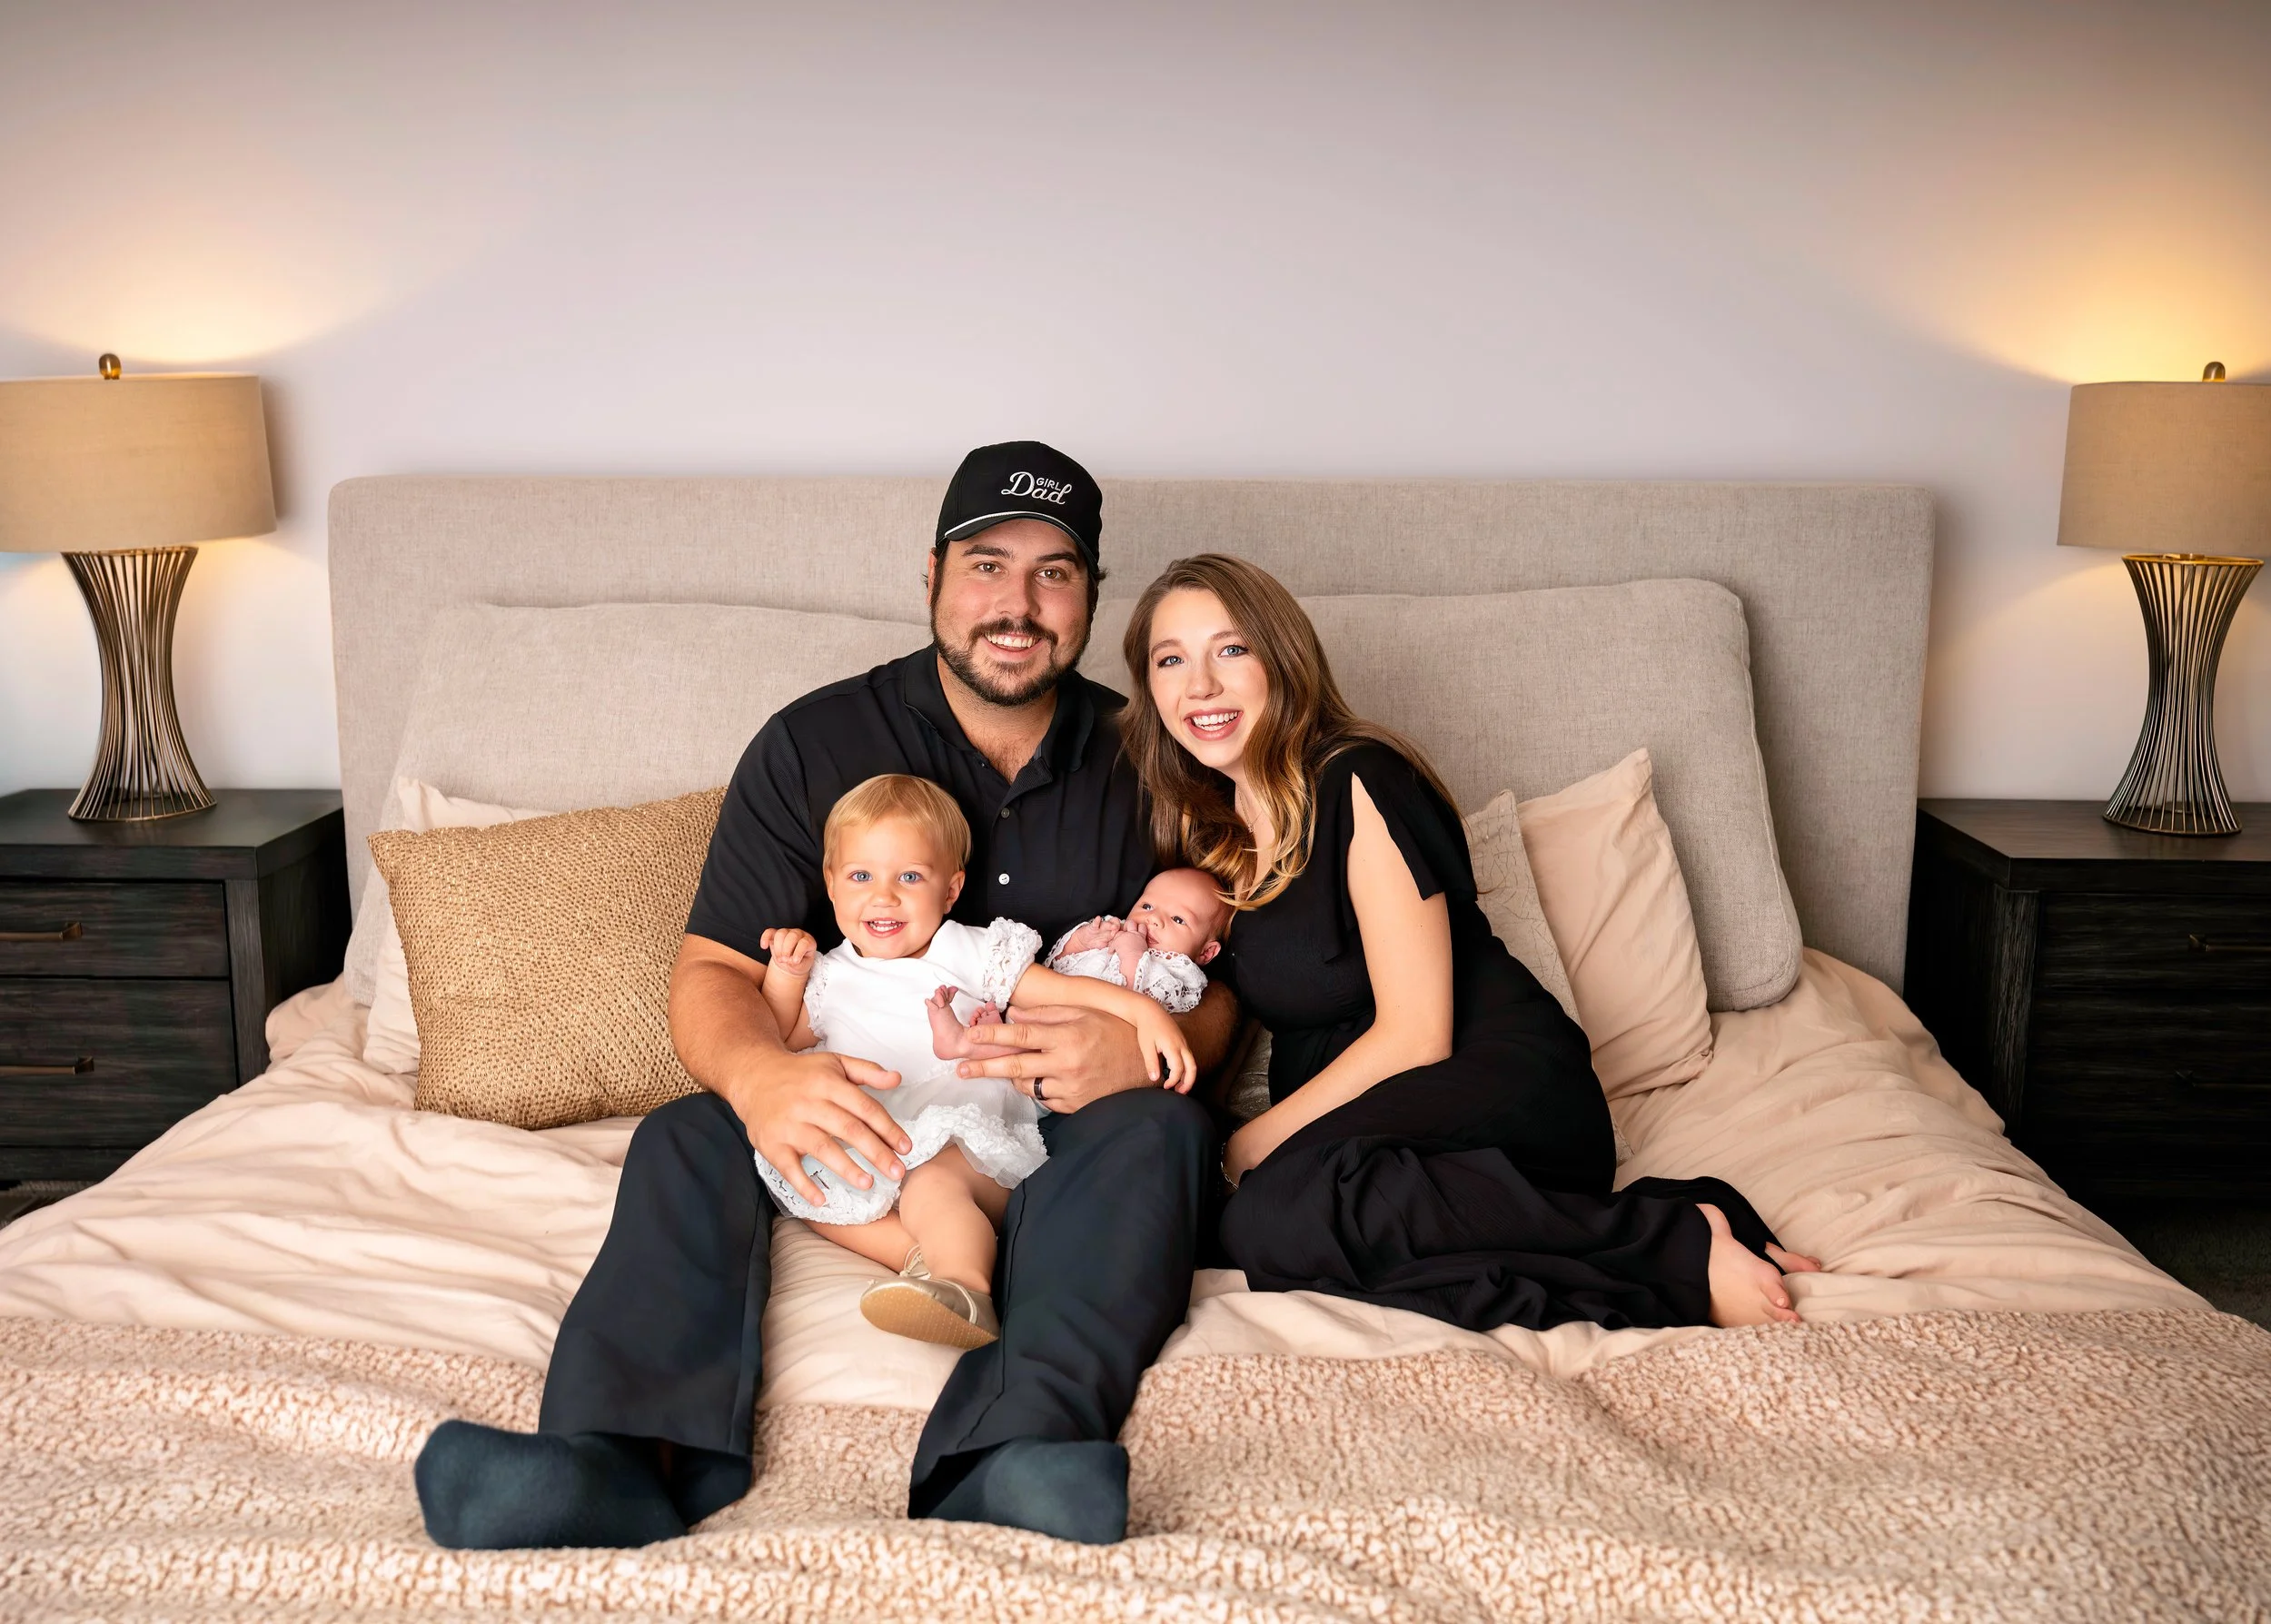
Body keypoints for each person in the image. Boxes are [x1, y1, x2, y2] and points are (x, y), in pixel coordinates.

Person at [414, 441, 1235, 1552]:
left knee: (1166, 1130)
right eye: (987, 564)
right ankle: (608, 1460)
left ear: (1091, 593)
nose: (1017, 603)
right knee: (687, 1133)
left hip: (1063, 1125)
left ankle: (1011, 1458)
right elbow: (712, 970)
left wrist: (1149, 1050)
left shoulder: (1153, 755)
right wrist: (761, 1074)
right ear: (932, 577)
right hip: (859, 1095)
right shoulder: (815, 743)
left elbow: (1227, 989)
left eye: (1054, 573)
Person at [1121, 553, 1820, 1335]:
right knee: (1251, 1227)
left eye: (1231, 649)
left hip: (1486, 1081)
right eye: (1171, 659)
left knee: (1270, 1218)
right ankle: (1663, 1218)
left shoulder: (1357, 777)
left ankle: (1670, 1247)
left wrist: (1248, 1143)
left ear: (1282, 659)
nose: (1201, 686)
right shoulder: (1213, 837)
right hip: (1375, 1131)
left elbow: (1418, 1033)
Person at [753, 772, 1196, 1351]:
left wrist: (1143, 1012)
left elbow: (1056, 993)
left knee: (932, 1189)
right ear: (831, 886)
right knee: (806, 1191)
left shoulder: (969, 950)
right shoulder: (829, 975)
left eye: (909, 877)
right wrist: (785, 974)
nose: (883, 896)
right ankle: (919, 1258)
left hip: (966, 1135)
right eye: (861, 876)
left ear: (951, 890)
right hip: (878, 1135)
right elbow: (781, 1040)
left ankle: (964, 1289)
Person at [933, 867, 1231, 1055]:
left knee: (1031, 1047)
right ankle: (977, 1037)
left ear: (1206, 953)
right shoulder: (1117, 931)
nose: (1153, 918)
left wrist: (1131, 954)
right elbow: (1057, 965)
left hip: (1084, 1044)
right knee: (1014, 1017)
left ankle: (969, 1042)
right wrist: (1081, 942)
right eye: (1147, 905)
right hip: (1040, 1007)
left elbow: (1136, 1008)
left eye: (1178, 919)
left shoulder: (1178, 974)